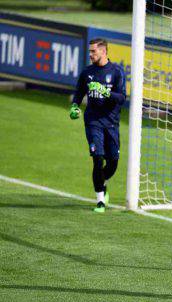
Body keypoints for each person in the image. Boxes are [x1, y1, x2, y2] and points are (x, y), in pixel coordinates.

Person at [69, 38, 126, 213]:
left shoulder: (116, 72)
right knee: (97, 158)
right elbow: (78, 94)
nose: (91, 55)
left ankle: (103, 182)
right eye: (90, 51)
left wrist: (105, 92)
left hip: (112, 123)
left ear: (103, 51)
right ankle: (100, 200)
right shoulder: (87, 73)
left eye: (93, 51)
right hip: (93, 122)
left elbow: (122, 98)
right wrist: (74, 107)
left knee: (113, 163)